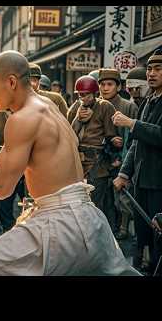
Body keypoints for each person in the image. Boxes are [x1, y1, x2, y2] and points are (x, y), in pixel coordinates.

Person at [0, 50, 138, 276]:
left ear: (11, 82)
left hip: (59, 222)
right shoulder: (48, 105)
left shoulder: (20, 119)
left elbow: (3, 189)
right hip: (90, 219)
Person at [113, 49, 162, 275]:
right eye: (150, 69)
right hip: (141, 179)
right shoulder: (149, 100)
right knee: (141, 235)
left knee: (158, 235)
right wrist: (125, 173)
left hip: (159, 181)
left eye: (158, 69)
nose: (151, 74)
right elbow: (135, 143)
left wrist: (133, 124)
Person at [67, 75, 119, 232]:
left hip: (98, 162)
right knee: (76, 202)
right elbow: (67, 134)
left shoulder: (105, 107)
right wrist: (78, 120)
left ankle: (100, 235)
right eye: (80, 95)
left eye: (86, 95)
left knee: (97, 204)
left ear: (95, 93)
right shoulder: (75, 108)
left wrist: (115, 148)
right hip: (77, 161)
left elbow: (111, 135)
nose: (83, 98)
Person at [98, 68, 138, 240]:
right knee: (103, 199)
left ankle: (123, 226)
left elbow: (136, 137)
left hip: (124, 158)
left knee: (122, 198)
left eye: (110, 84)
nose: (105, 88)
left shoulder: (128, 107)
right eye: (102, 84)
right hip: (101, 160)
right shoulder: (95, 105)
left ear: (118, 86)